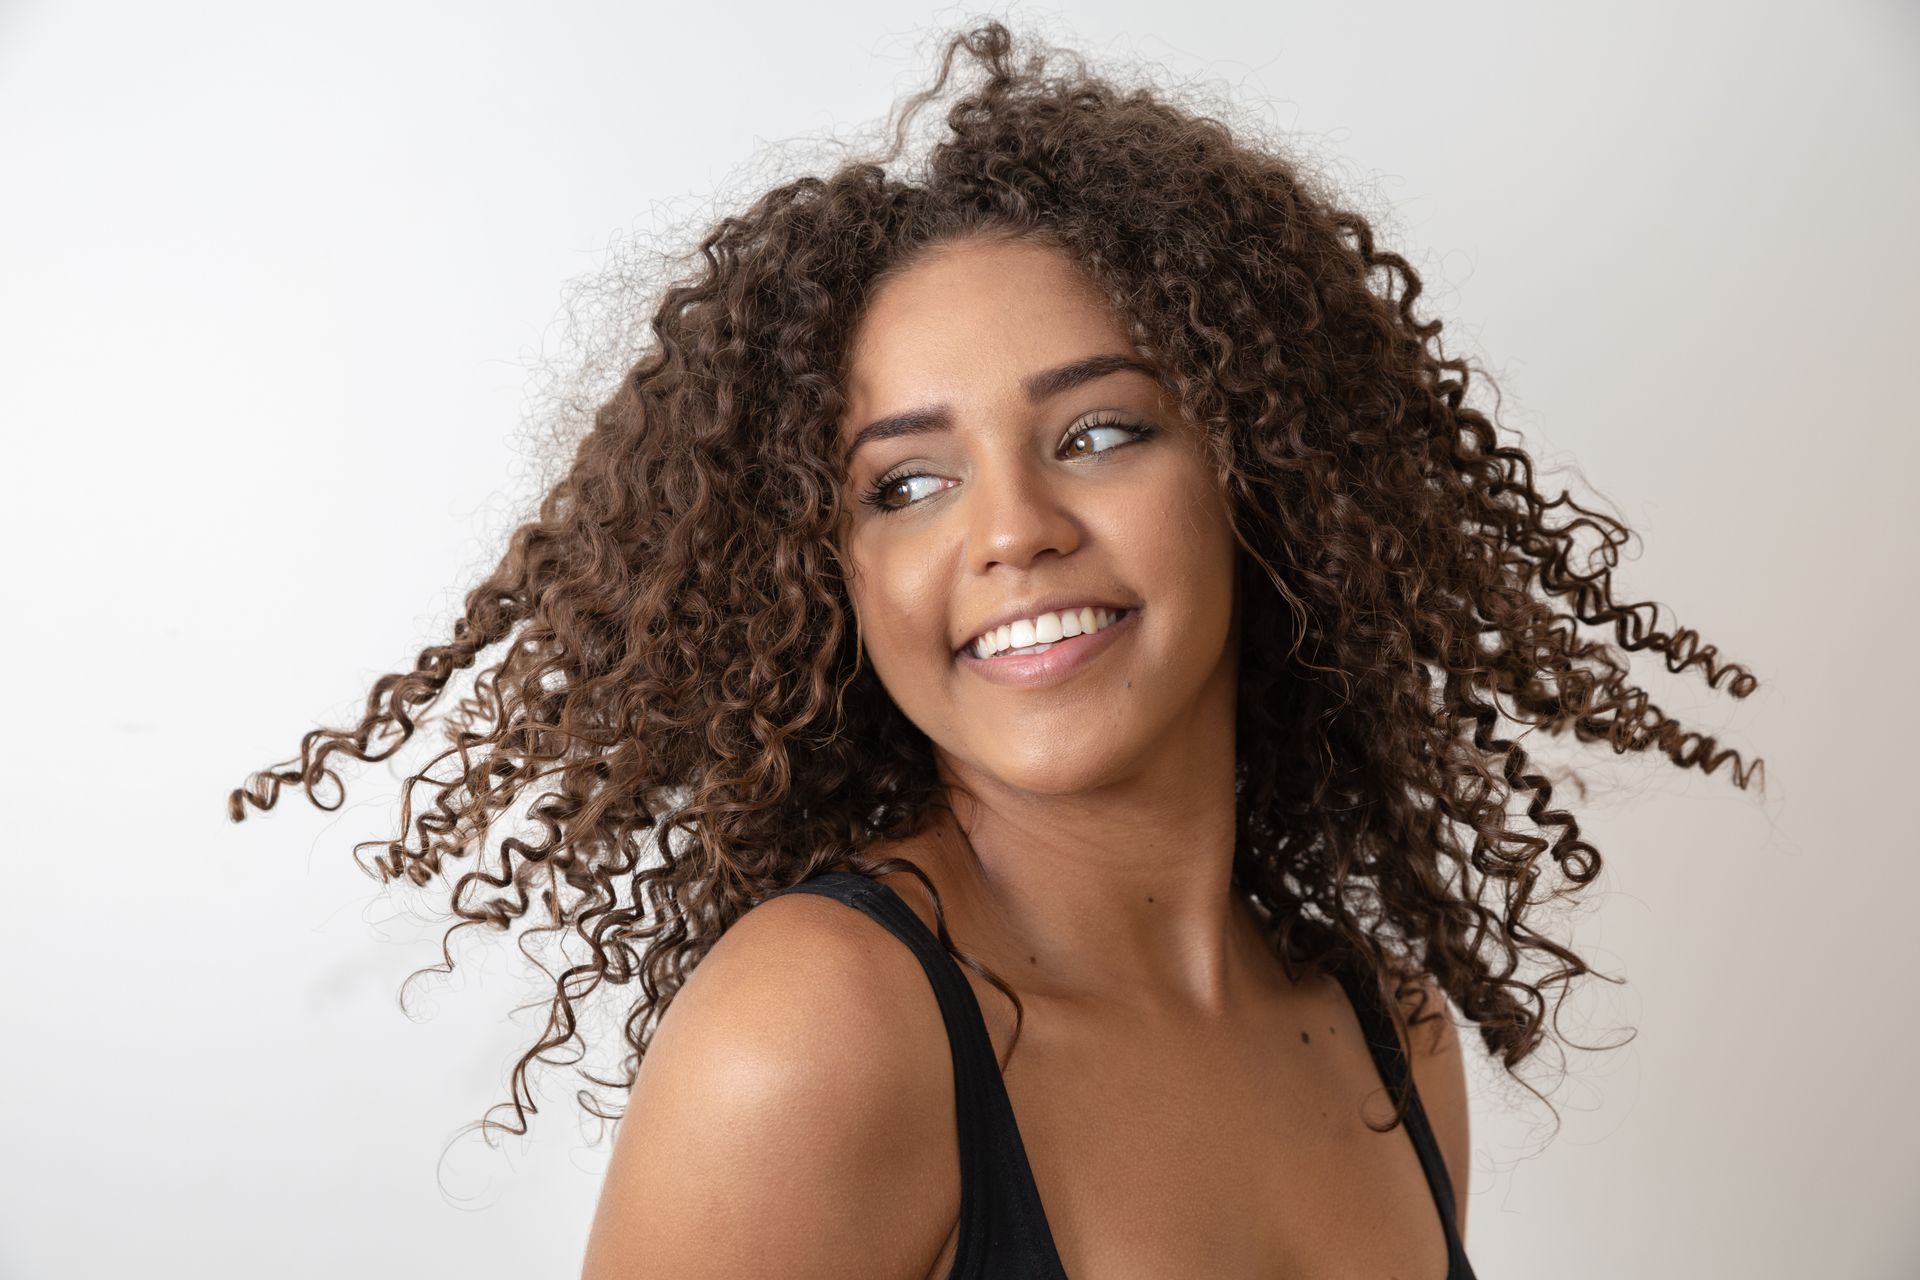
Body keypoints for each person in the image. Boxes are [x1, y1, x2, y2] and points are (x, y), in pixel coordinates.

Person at [229, 19, 1764, 1279]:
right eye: (906, 484)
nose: (1009, 531)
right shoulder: (823, 1029)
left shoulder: (1385, 1033)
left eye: (1097, 432)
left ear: (1256, 475)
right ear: (831, 577)